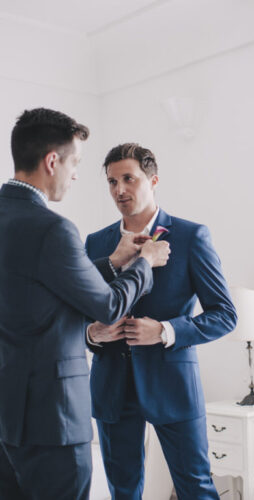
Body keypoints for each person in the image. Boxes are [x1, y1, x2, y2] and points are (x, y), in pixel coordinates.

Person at [0, 109, 171, 500]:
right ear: (52, 161)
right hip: (53, 421)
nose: (76, 174)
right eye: (75, 162)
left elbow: (38, 287)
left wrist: (111, 262)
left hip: (8, 418)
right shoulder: (53, 227)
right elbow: (108, 307)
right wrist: (144, 264)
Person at [85, 143, 237, 500]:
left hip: (173, 385)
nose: (119, 189)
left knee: (196, 488)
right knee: (123, 492)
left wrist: (167, 331)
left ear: (153, 180)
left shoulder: (190, 237)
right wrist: (93, 334)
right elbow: (74, 314)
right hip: (112, 388)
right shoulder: (96, 244)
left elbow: (225, 315)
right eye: (111, 182)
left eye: (128, 178)